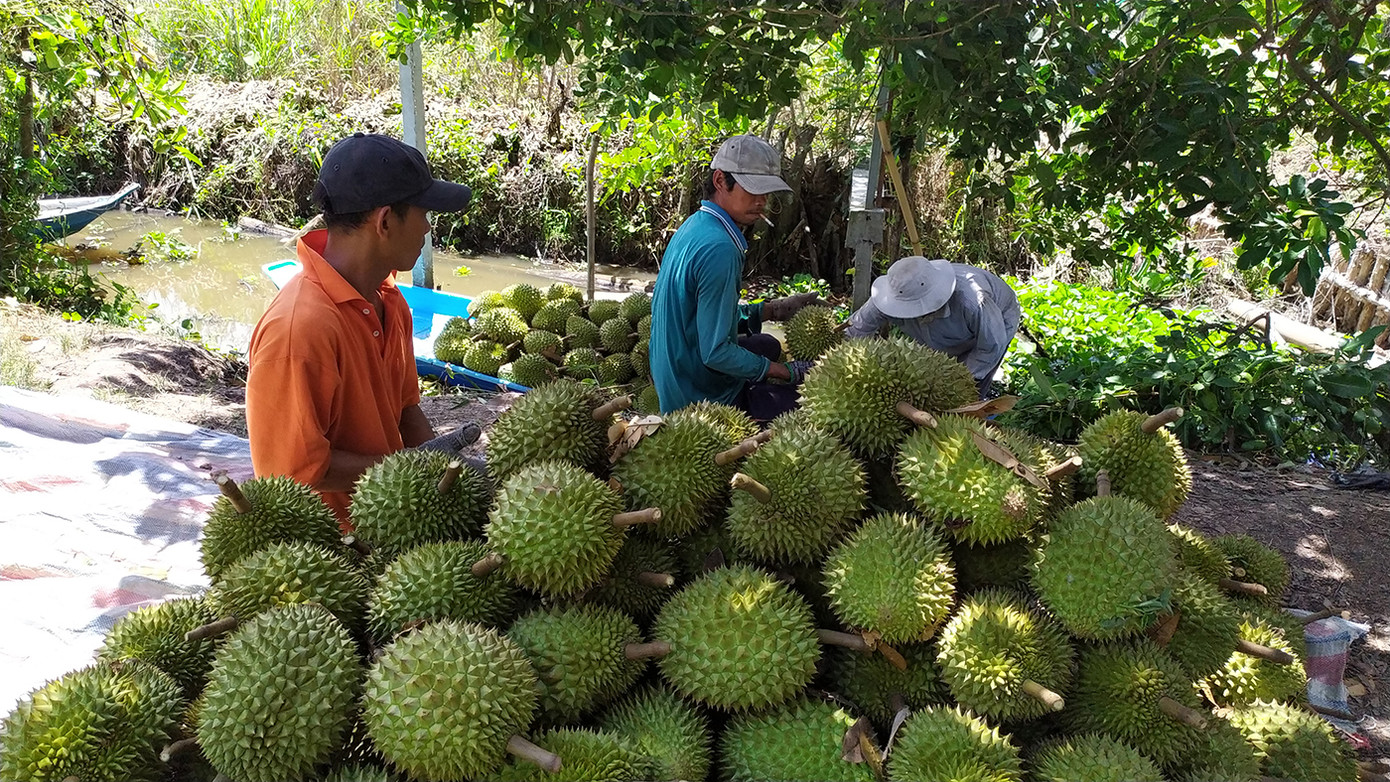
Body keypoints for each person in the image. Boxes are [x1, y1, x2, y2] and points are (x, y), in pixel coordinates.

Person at [245, 133, 480, 528]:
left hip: (399, 515)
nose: (427, 229)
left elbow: (405, 411)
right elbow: (293, 471)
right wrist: (411, 467)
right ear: (385, 221)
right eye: (423, 213)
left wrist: (446, 466)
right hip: (334, 547)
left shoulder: (390, 301)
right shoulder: (299, 330)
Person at [649, 134, 822, 420]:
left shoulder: (696, 224)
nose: (762, 202)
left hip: (677, 368)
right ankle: (746, 403)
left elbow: (701, 312)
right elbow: (715, 353)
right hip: (697, 400)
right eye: (753, 191)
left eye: (766, 193)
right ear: (720, 181)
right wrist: (787, 372)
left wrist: (772, 310)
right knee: (807, 404)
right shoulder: (720, 249)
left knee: (768, 345)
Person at [845, 255, 1020, 398]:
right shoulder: (890, 296)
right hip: (947, 333)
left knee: (967, 392)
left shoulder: (972, 301)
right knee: (934, 372)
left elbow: (990, 346)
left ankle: (970, 410)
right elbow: (857, 328)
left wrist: (961, 380)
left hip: (996, 320)